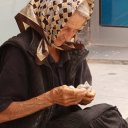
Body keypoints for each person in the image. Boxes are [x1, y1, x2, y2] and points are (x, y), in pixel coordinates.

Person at [0, 0, 128, 128]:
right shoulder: (18, 51)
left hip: (63, 122)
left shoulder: (71, 49)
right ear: (49, 18)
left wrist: (83, 96)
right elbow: (2, 114)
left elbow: (81, 88)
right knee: (106, 117)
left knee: (108, 116)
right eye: (65, 28)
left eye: (75, 30)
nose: (68, 36)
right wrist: (50, 98)